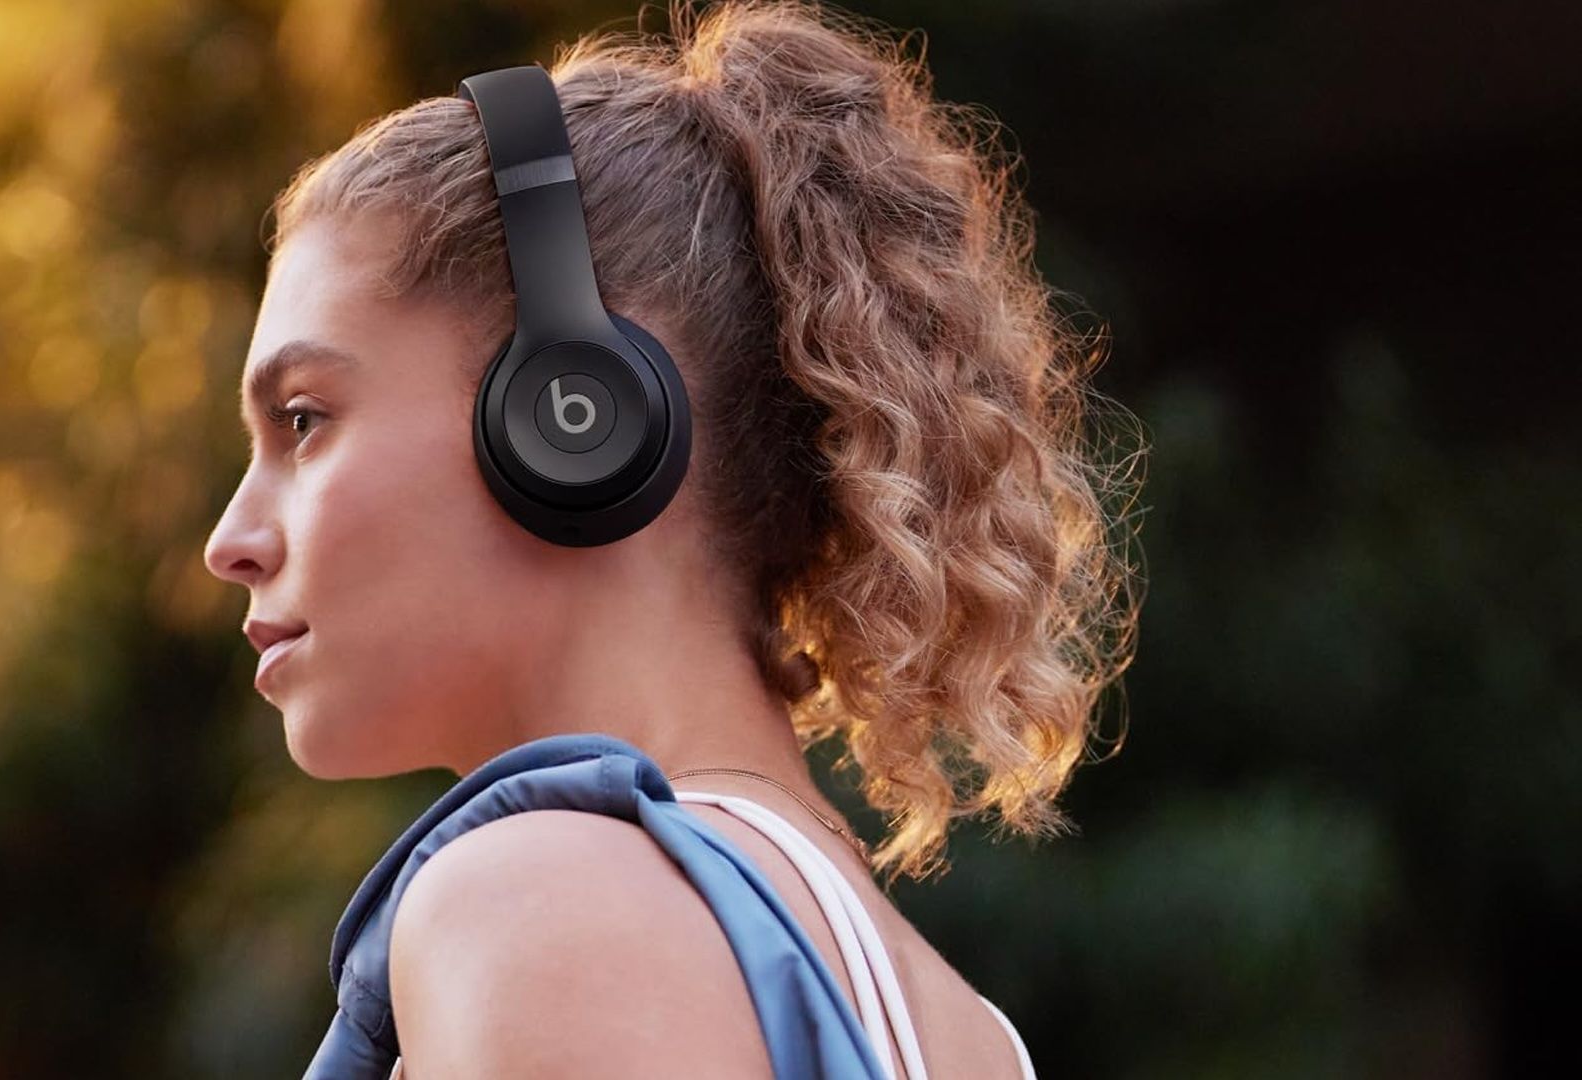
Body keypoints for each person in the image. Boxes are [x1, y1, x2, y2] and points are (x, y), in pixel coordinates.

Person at [202, 1, 1140, 1075]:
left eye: (304, 420)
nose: (229, 540)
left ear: (572, 415)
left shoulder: (542, 909)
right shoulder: (972, 1034)